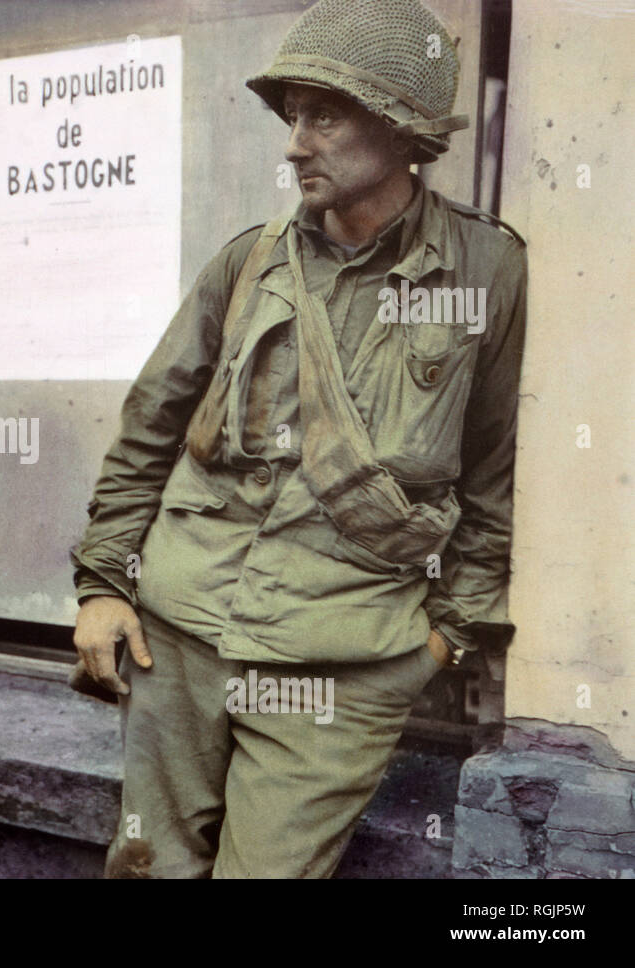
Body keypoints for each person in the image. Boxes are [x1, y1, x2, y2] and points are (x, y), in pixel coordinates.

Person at [70, 0, 527, 878]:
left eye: (325, 116)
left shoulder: (487, 272)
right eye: (292, 118)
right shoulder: (247, 261)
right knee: (142, 871)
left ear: (399, 128)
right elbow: (146, 433)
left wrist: (442, 643)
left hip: (338, 666)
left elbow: (493, 474)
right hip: (178, 640)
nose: (294, 145)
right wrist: (102, 585)